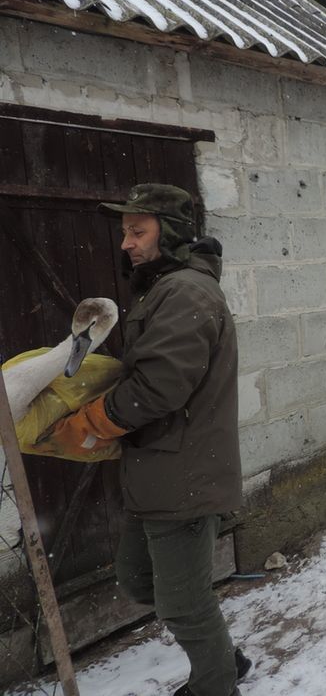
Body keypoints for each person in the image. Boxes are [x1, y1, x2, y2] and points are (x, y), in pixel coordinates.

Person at [44, 184, 250, 696]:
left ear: (172, 232)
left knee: (181, 602)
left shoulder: (185, 292)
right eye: (124, 233)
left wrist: (90, 422)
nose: (127, 244)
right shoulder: (164, 288)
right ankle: (221, 654)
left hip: (184, 474)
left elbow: (158, 385)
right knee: (139, 581)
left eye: (138, 232)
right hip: (158, 471)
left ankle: (216, 683)